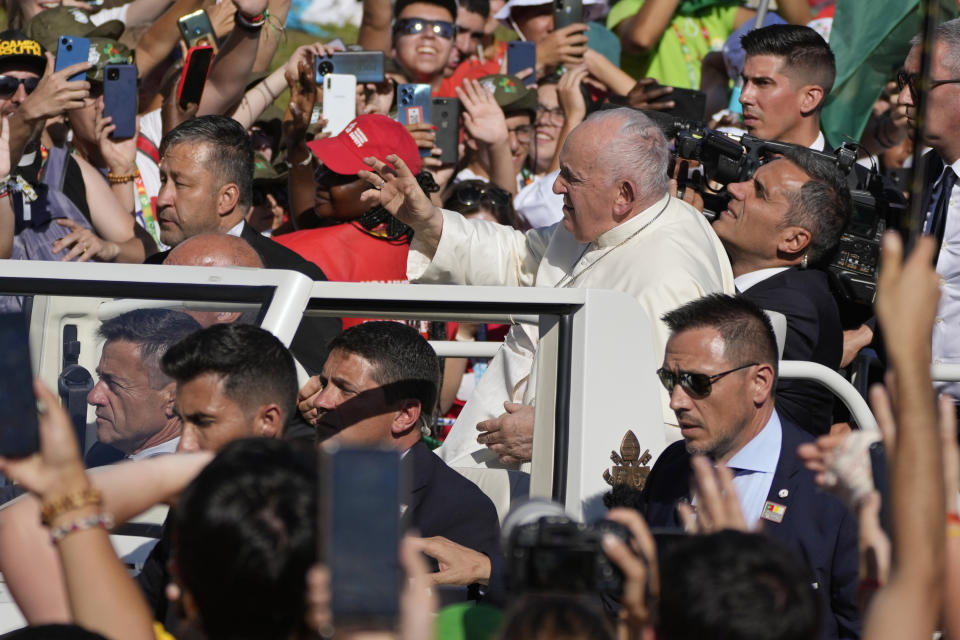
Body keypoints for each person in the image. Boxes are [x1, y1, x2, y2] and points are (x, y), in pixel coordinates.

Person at [361, 106, 733, 469]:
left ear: (624, 195)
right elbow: (521, 260)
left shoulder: (669, 280)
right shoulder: (607, 222)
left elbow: (674, 427)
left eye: (571, 177)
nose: (556, 187)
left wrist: (553, 433)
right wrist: (431, 222)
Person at [641, 293, 859, 639]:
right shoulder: (671, 467)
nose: (676, 401)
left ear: (759, 382)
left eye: (696, 383)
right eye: (670, 380)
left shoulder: (834, 489)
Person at [311, 321, 503, 596]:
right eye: (323, 384)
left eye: (345, 389)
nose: (322, 401)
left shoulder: (457, 507)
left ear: (404, 415)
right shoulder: (293, 477)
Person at [143, 115, 342, 374]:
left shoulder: (292, 278)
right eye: (162, 180)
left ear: (227, 198)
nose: (162, 199)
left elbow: (313, 397)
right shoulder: (152, 271)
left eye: (180, 184)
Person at [714, 146, 849, 434]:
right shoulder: (791, 288)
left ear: (793, 240)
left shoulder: (793, 305)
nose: (734, 188)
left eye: (759, 192)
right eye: (749, 179)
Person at [84, 309, 202, 466]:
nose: (93, 397)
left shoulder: (188, 481)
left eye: (113, 384)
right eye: (100, 378)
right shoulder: (105, 453)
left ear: (175, 398)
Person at [739, 24, 835, 149]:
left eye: (763, 83)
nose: (744, 97)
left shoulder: (845, 169)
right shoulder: (720, 165)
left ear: (809, 98)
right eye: (745, 81)